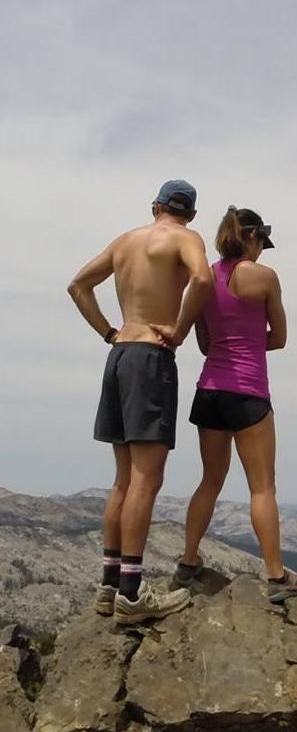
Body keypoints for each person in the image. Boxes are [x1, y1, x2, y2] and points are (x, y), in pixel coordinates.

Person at [67, 178, 212, 623]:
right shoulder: (186, 238)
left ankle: (110, 586)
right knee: (147, 479)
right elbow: (203, 278)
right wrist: (181, 329)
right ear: (189, 213)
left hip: (120, 354)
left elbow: (77, 286)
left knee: (123, 479)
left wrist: (109, 332)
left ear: (156, 206)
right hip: (151, 355)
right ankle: (132, 592)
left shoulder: (125, 241)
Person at [178, 206, 297, 602]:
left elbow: (205, 343)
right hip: (248, 391)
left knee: (210, 480)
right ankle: (276, 577)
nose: (263, 252)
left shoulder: (204, 276)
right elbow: (279, 337)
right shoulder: (264, 278)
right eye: (262, 243)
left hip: (209, 390)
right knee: (262, 488)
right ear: (253, 237)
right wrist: (247, 340)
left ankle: (188, 562)